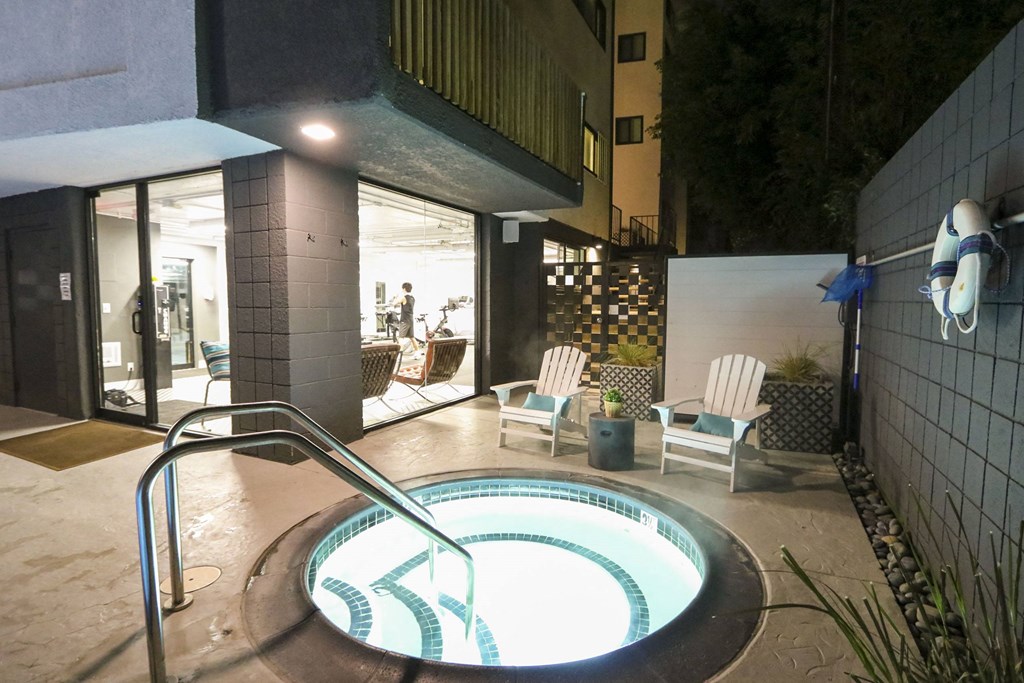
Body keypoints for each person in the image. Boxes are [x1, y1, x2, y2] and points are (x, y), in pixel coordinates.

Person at [392, 282, 421, 357]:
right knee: (412, 337)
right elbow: (405, 305)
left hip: (404, 320)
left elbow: (394, 303)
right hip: (410, 320)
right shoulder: (412, 298)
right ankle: (417, 353)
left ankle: (399, 355)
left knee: (401, 338)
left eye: (402, 289)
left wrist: (395, 297)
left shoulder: (404, 297)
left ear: (404, 289)